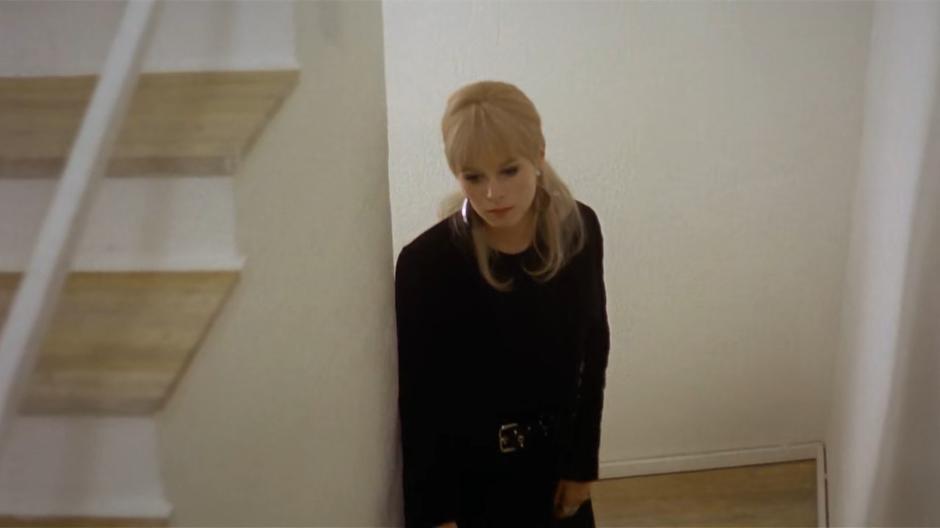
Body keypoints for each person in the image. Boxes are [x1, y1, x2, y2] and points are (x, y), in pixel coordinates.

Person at [395, 80, 610, 528]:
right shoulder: (427, 262)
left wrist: (582, 465)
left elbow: (594, 347)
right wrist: (435, 512)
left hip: (556, 470)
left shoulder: (579, 229)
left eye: (509, 170)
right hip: (474, 485)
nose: (493, 193)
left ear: (539, 155)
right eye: (473, 176)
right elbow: (421, 399)